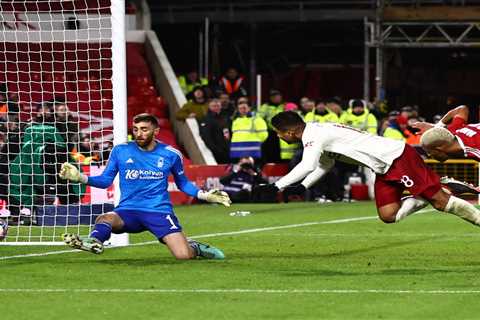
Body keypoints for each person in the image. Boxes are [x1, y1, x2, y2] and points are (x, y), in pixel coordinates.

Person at [254, 111, 480, 227]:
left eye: (279, 133)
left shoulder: (315, 135)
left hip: (398, 158)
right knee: (388, 215)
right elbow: (325, 164)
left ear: (290, 132)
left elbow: (308, 164)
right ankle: (439, 189)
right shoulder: (315, 133)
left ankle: (450, 199)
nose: (279, 137)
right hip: (383, 167)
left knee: (441, 203)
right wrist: (303, 186)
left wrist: (277, 186)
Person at [59, 113, 232, 259]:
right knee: (104, 219)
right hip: (128, 211)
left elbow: (183, 183)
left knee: (183, 255)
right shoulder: (120, 150)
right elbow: (105, 181)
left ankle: (194, 247)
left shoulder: (171, 154)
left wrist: (206, 195)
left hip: (158, 211)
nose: (139, 134)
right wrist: (80, 177)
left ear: (156, 131)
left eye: (144, 129)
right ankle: (94, 242)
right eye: (135, 130)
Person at [199, 99, 230, 164]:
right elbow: (206, 136)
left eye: (218, 105)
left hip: (227, 149)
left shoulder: (225, 117)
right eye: (214, 106)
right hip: (217, 151)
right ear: (209, 107)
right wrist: (216, 149)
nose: (216, 108)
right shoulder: (206, 119)